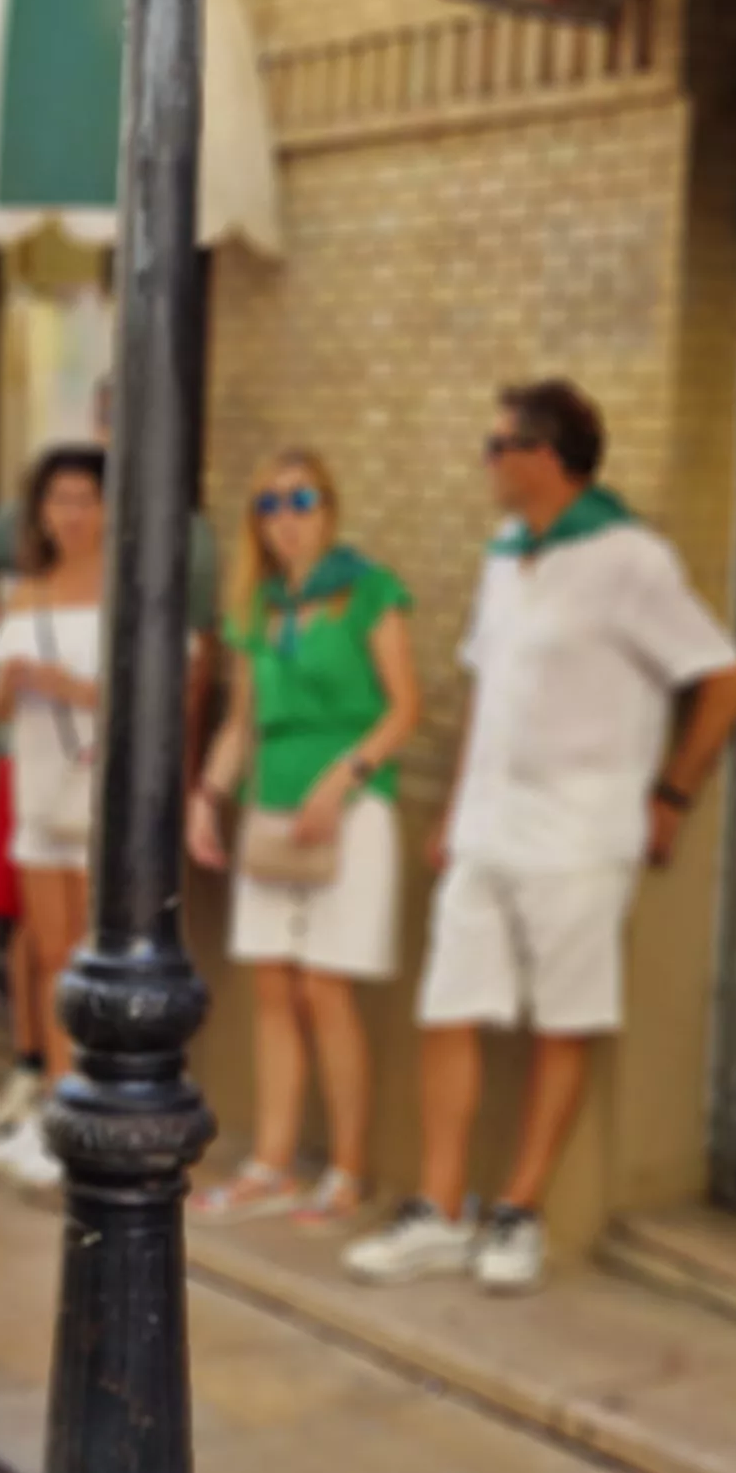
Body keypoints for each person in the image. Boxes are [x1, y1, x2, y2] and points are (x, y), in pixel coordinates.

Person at [347, 379, 736, 1294]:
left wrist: (672, 794)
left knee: (562, 1019)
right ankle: (440, 1209)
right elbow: (488, 688)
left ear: (544, 456)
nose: (485, 463)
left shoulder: (630, 559)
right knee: (450, 1006)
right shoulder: (506, 552)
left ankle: (519, 1209)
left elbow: (725, 676)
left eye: (497, 447)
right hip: (490, 822)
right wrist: (455, 809)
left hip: (582, 828)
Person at [185, 449, 419, 1228]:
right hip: (271, 816)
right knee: (274, 990)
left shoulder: (368, 592)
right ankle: (272, 1165)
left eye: (301, 500)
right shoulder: (257, 607)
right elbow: (244, 721)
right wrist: (208, 797)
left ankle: (347, 1172)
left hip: (350, 816)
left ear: (329, 506)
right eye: (270, 504)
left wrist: (343, 777)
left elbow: (404, 708)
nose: (286, 517)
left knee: (327, 989)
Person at [0, 446, 108, 1190]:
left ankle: (92, 1096)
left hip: (97, 797)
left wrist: (66, 684)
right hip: (37, 790)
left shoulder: (126, 595)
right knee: (54, 954)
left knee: (95, 957)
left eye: (85, 499)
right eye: (59, 499)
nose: (72, 514)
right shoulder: (27, 595)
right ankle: (60, 1098)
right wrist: (16, 681)